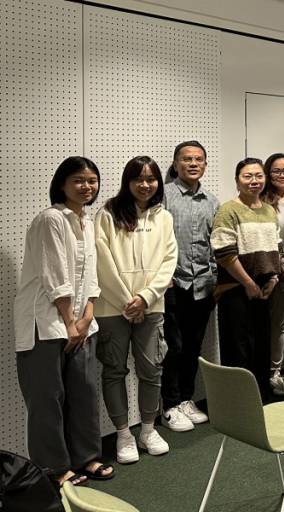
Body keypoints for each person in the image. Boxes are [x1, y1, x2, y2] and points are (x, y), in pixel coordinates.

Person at [14, 156, 113, 486]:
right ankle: (53, 469)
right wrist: (70, 322)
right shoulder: (51, 219)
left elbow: (91, 277)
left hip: (81, 323)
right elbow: (55, 277)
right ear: (62, 184)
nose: (87, 186)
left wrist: (86, 317)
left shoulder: (86, 220)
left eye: (92, 180)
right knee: (47, 400)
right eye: (79, 180)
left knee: (84, 394)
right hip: (45, 323)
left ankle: (87, 457)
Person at [95, 156, 177, 465]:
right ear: (127, 181)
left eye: (151, 179)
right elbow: (102, 261)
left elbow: (169, 261)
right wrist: (127, 302)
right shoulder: (108, 214)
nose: (145, 185)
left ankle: (146, 429)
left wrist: (144, 298)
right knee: (114, 370)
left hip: (151, 306)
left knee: (151, 369)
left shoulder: (163, 217)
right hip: (112, 307)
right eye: (138, 179)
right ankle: (123, 434)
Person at [211, 158, 281, 401]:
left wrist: (273, 279)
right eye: (247, 176)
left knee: (262, 346)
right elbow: (224, 253)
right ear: (237, 180)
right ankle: (240, 402)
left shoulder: (269, 210)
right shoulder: (228, 210)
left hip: (264, 289)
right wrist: (248, 283)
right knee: (238, 349)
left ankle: (261, 395)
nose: (254, 181)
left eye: (258, 176)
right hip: (235, 289)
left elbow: (275, 249)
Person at [161, 140, 216, 432]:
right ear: (176, 163)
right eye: (186, 159)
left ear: (205, 165)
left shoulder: (212, 201)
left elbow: (216, 243)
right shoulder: (164, 197)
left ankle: (185, 399)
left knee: (193, 346)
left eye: (198, 159)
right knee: (173, 347)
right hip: (173, 286)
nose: (193, 164)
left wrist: (215, 276)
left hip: (204, 286)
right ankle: (169, 406)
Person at [261, 153, 284, 394]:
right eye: (276, 170)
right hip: (262, 270)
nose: (282, 174)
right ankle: (256, 371)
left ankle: (275, 373)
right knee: (259, 324)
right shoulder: (259, 199)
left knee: (279, 324)